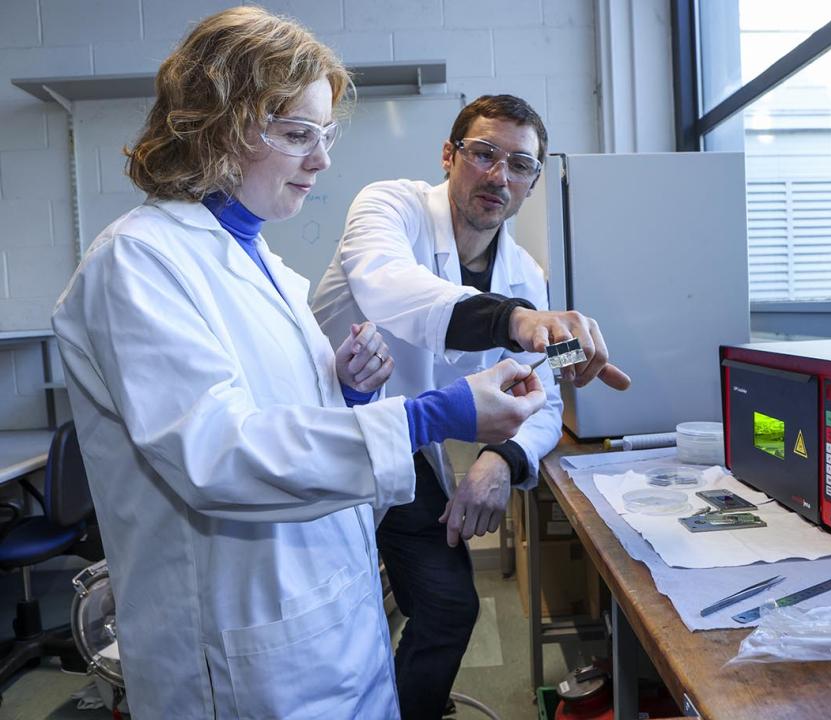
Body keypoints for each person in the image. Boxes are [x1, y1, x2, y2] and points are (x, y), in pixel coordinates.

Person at [50, 9, 546, 720]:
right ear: (215, 125)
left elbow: (283, 421)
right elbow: (218, 457)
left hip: (330, 626)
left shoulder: (271, 268)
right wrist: (431, 414)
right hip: (241, 659)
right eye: (295, 134)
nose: (321, 160)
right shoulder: (138, 262)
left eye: (325, 135)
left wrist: (342, 390)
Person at [311, 94, 631, 719]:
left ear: (534, 181)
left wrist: (501, 460)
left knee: (448, 605)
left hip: (402, 455)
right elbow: (391, 289)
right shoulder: (391, 206)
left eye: (520, 165)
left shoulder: (523, 274)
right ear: (449, 155)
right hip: (319, 441)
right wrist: (515, 320)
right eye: (483, 154)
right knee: (331, 624)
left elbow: (539, 399)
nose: (498, 176)